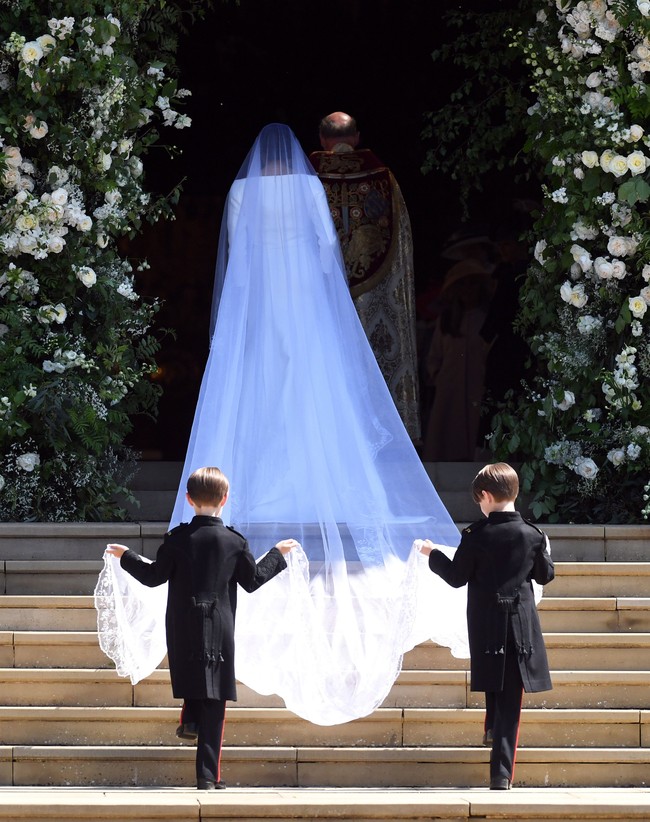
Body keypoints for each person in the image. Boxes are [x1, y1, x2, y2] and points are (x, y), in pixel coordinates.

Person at [105, 466, 297, 790]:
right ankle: (208, 775)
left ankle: (190, 717)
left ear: (188, 498)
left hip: (183, 627)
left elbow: (154, 577)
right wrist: (277, 555)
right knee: (215, 700)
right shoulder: (235, 542)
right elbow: (252, 582)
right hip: (219, 627)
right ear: (225, 499)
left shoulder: (177, 539)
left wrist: (127, 557)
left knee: (195, 681)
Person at [418, 463, 554, 790]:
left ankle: (497, 756)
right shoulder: (533, 535)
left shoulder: (476, 535)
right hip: (519, 627)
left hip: (485, 625)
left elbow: (455, 577)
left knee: (496, 683)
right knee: (510, 697)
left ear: (487, 496)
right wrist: (543, 549)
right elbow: (544, 575)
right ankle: (502, 772)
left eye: (479, 499)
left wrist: (431, 554)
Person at [309, 112, 421, 440]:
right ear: (356, 137)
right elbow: (401, 243)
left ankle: (325, 436)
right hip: (374, 293)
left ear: (321, 139)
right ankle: (385, 435)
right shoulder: (384, 179)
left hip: (320, 293)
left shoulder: (306, 181)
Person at [422, 259, 495, 461]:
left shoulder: (485, 318)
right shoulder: (447, 321)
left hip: (477, 385)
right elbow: (435, 355)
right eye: (462, 284)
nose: (467, 290)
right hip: (449, 389)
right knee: (447, 433)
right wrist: (438, 377)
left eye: (472, 284)